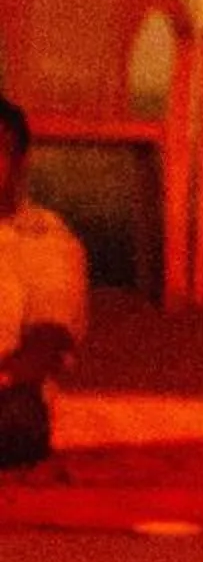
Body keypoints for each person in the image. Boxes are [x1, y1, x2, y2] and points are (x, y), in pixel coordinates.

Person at [0, 97, 88, 471]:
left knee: (17, 418)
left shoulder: (46, 240)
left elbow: (48, 341)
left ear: (19, 162)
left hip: (6, 390)